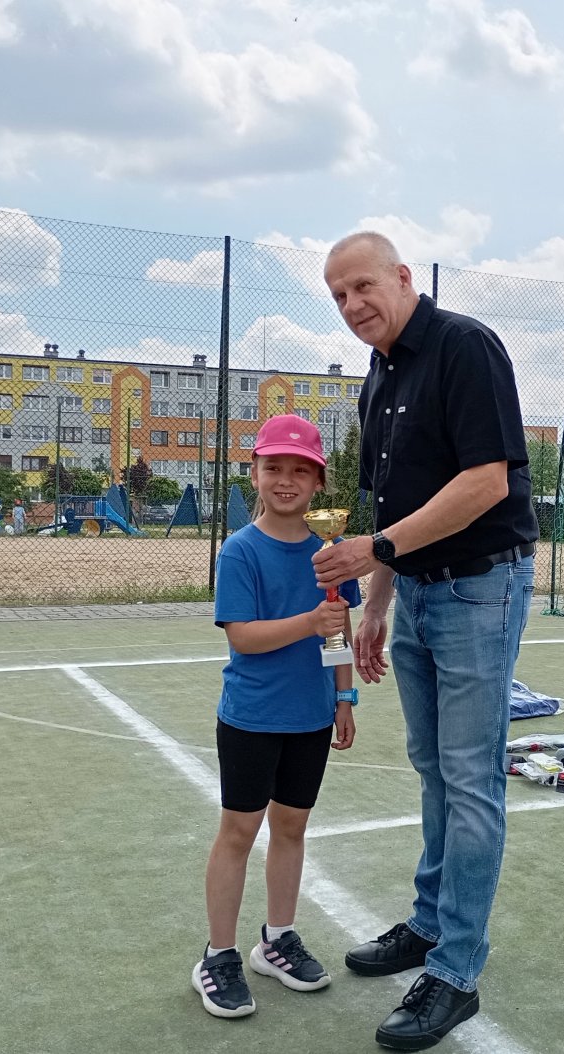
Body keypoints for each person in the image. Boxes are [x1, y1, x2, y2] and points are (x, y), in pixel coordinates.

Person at [314, 231, 537, 1051]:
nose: (352, 305)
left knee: (470, 777)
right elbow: (390, 502)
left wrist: (376, 554)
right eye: (338, 296)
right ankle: (431, 923)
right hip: (414, 591)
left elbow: (486, 482)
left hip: (481, 586)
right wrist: (379, 601)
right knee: (433, 767)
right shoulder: (379, 375)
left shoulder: (465, 347)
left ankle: (456, 971)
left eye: (362, 287)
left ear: (403, 278)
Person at [192, 413, 362, 1020]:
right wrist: (309, 623)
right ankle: (217, 955)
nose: (286, 480)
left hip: (311, 718)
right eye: (274, 468)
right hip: (252, 718)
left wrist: (344, 697)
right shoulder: (240, 550)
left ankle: (277, 939)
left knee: (291, 827)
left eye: (300, 470)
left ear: (319, 482)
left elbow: (338, 630)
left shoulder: (332, 553)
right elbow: (243, 637)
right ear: (255, 474)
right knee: (239, 833)